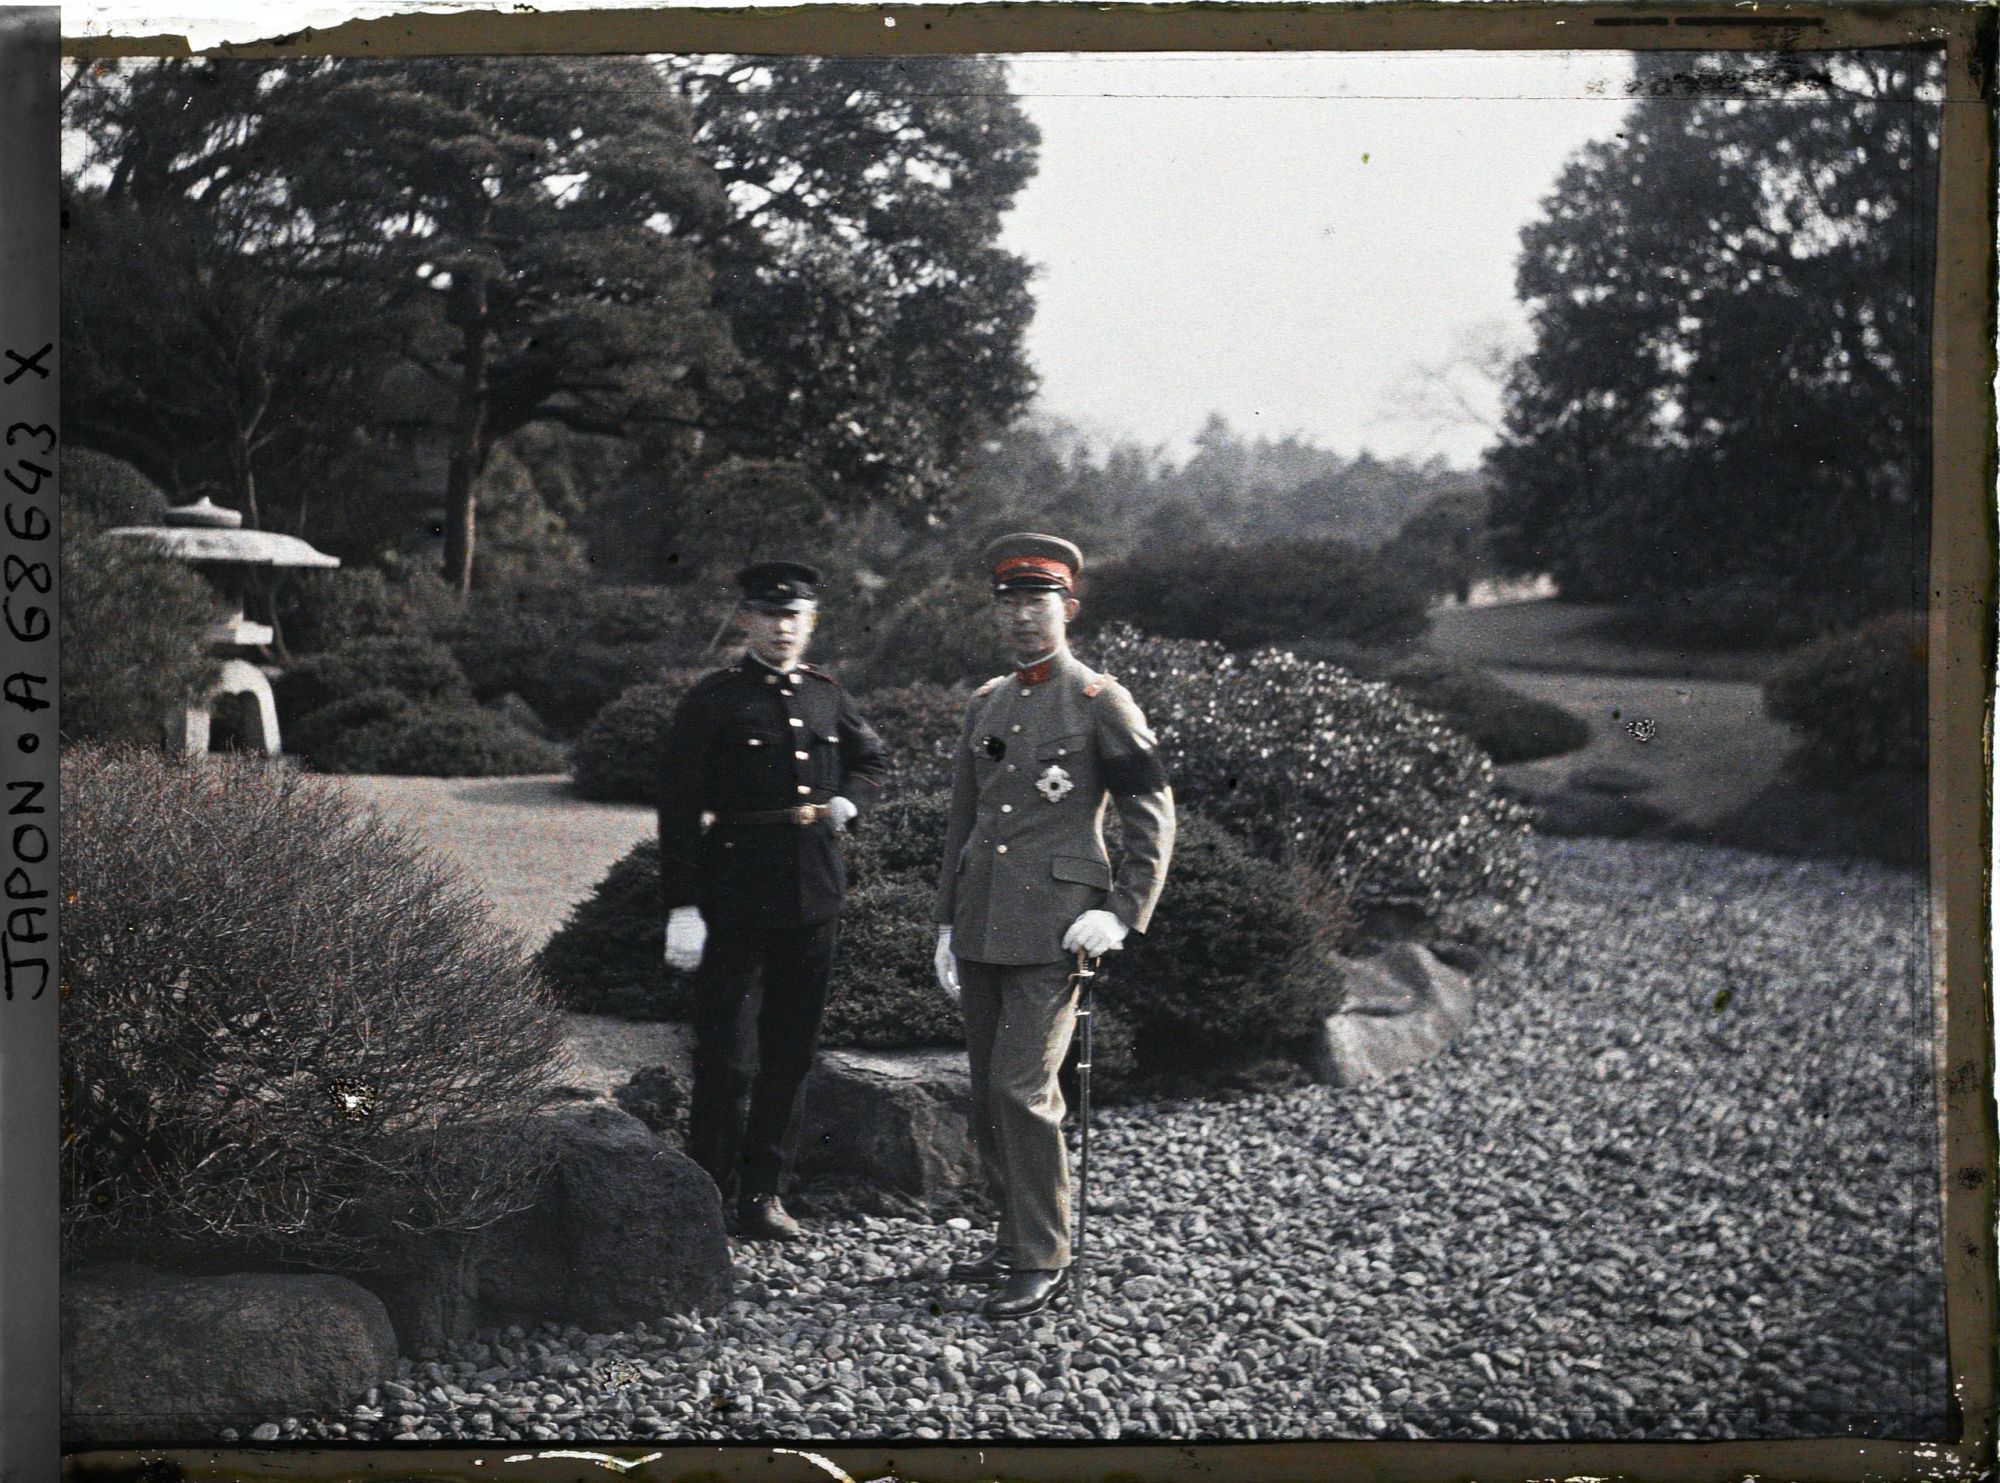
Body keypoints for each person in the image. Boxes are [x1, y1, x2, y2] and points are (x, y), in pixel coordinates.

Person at [933, 533, 1176, 1317]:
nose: (1023, 617)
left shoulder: (1102, 700)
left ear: (1067, 608)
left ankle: (1044, 1255)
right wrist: (945, 922)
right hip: (981, 923)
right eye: (1010, 602)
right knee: (985, 1090)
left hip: (1057, 927)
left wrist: (1121, 913)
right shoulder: (986, 702)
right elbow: (964, 822)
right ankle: (1011, 1239)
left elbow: (1152, 815)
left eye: (1038, 602)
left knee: (1023, 1086)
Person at [657, 560, 888, 1241]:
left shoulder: (826, 695)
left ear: (810, 624)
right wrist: (683, 906)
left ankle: (764, 1194)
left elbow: (871, 760)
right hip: (733, 896)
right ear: (747, 621)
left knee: (790, 1052)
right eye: (770, 615)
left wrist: (849, 799)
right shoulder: (714, 699)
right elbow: (677, 808)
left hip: (814, 892)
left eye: (795, 617)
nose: (783, 628)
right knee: (727, 1056)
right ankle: (706, 1193)